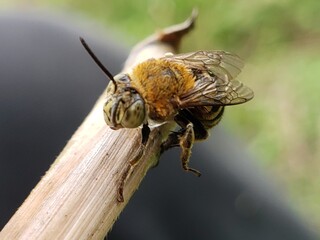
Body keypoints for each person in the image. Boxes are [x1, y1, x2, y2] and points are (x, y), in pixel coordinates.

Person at [0, 10, 317, 240]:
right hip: (180, 71)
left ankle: (178, 154)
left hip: (201, 100)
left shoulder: (168, 106)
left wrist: (130, 169)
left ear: (153, 107)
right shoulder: (136, 76)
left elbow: (175, 120)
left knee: (188, 130)